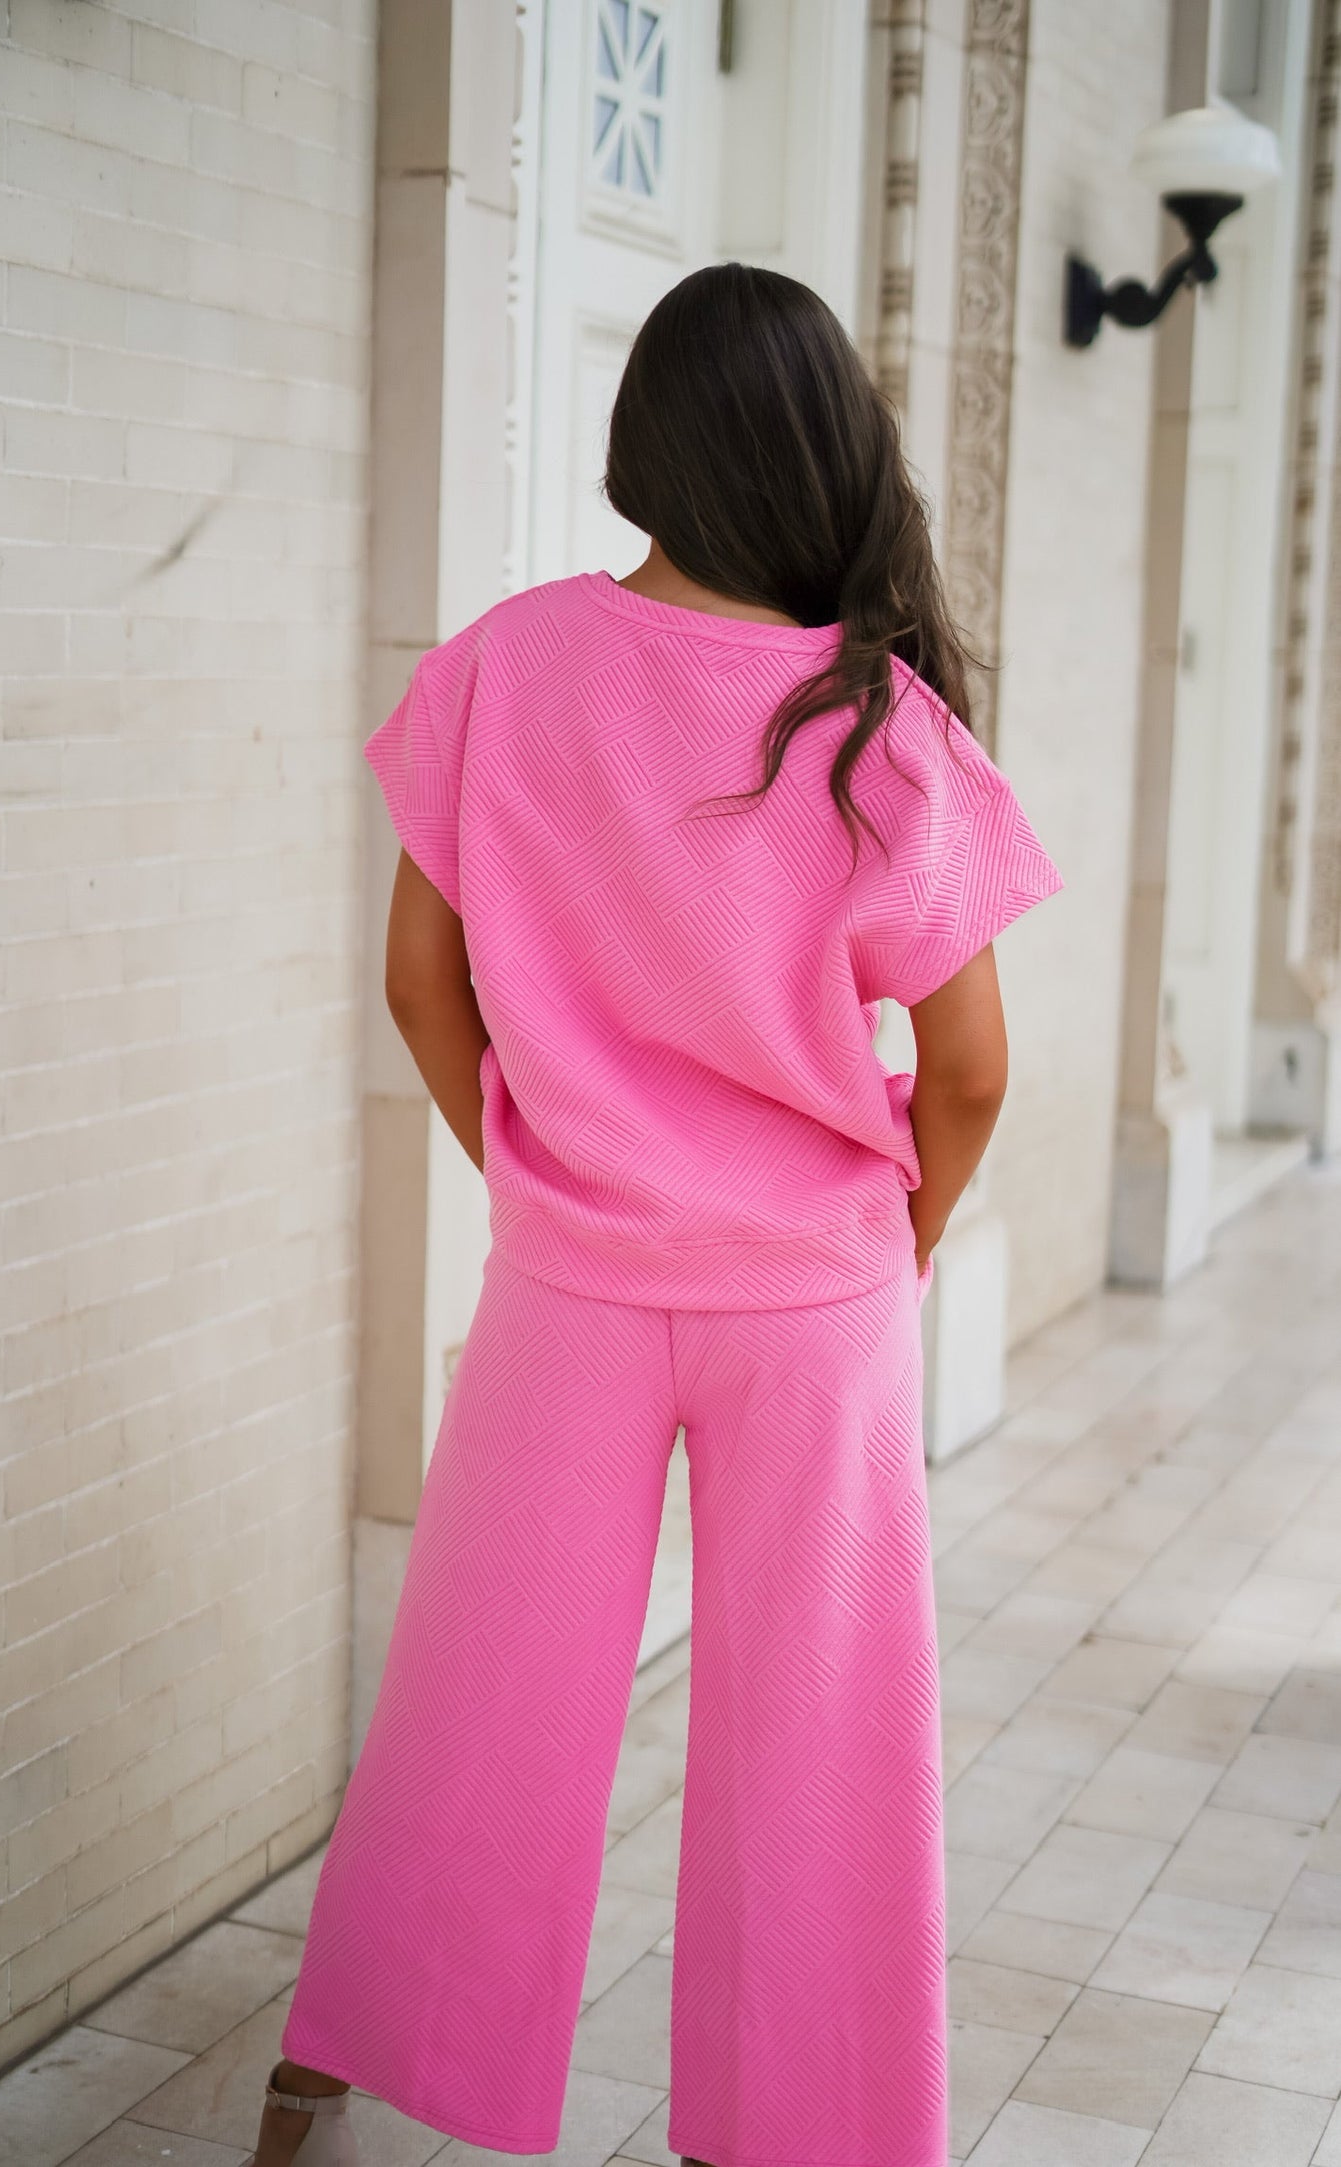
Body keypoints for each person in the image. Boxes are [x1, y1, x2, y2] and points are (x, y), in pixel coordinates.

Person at [242, 262, 1062, 2167]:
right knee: (825, 1743)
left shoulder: (501, 666)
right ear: (818, 454)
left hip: (573, 1278)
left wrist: (536, 1169)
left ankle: (328, 2079)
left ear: (641, 450)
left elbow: (419, 988)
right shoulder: (880, 723)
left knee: (477, 1695)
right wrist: (902, 1235)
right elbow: (972, 1072)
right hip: (815, 1302)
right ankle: (792, 2135)